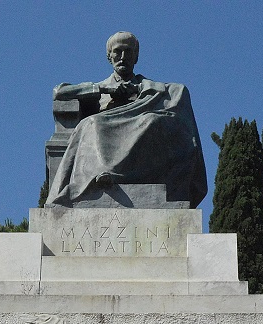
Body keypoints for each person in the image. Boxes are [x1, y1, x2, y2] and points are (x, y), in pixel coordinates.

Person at [45, 32, 207, 208]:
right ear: (109, 56)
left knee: (152, 120)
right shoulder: (100, 89)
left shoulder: (152, 90)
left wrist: (137, 92)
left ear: (136, 56)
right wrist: (105, 89)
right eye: (118, 51)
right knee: (92, 124)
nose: (123, 57)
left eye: (128, 52)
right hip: (104, 130)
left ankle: (116, 174)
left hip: (144, 140)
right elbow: (59, 92)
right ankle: (105, 173)